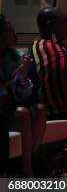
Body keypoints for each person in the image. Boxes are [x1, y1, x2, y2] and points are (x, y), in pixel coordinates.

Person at [0, 14, 46, 176]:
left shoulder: (17, 56)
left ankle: (31, 157)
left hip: (13, 105)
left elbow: (22, 95)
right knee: (23, 113)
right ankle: (28, 170)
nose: (14, 32)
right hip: (4, 110)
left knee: (39, 108)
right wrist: (14, 80)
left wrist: (23, 76)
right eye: (9, 29)